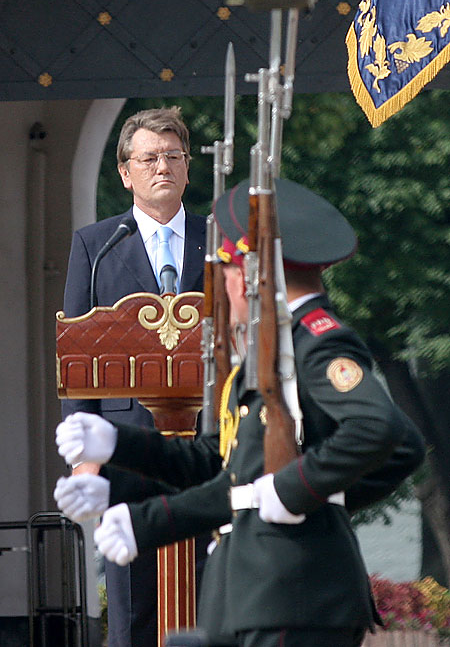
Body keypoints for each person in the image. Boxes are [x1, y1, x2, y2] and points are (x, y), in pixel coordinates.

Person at [55, 178, 426, 647]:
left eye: (228, 268)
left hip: (291, 592)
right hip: (253, 591)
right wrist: (116, 458)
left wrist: (297, 492)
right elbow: (220, 467)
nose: (225, 284)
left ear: (251, 272)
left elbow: (384, 432)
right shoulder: (269, 355)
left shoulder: (316, 343)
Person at [61, 107, 206, 647]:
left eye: (173, 156)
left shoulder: (220, 239)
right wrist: (84, 460)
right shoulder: (97, 246)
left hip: (206, 445)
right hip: (125, 449)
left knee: (209, 593)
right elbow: (77, 361)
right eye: (148, 159)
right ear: (125, 173)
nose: (162, 167)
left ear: (188, 167)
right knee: (133, 602)